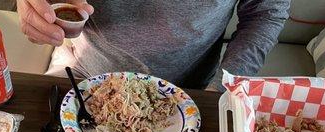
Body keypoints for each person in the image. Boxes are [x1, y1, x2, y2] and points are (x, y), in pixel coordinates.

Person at [17, 0, 291, 90]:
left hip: (195, 90)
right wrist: (35, 10)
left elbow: (265, 11)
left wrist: (224, 88)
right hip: (81, 72)